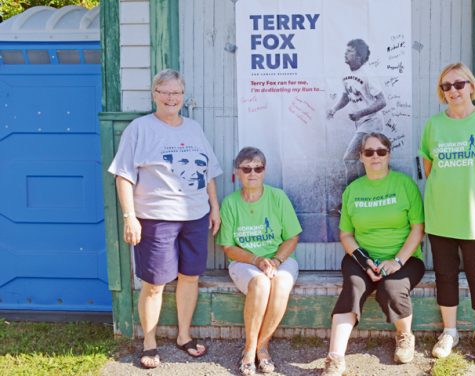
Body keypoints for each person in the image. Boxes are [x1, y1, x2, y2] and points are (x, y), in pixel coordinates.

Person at [108, 69, 222, 369]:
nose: (171, 98)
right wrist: (129, 217)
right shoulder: (140, 128)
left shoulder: (194, 128)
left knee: (190, 277)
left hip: (195, 216)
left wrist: (215, 206)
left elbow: (208, 171)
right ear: (154, 95)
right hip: (156, 218)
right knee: (155, 283)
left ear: (183, 96)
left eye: (177, 93)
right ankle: (149, 342)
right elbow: (123, 175)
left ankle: (184, 336)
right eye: (165, 92)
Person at [419, 62, 475, 364]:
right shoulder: (433, 125)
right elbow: (430, 170)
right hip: (441, 215)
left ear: (471, 86)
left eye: (459, 84)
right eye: (446, 86)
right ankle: (450, 331)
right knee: (445, 276)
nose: (453, 90)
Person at [321, 132, 426, 376]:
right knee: (353, 288)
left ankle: (404, 335)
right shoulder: (353, 191)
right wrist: (364, 260)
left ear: (389, 154)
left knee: (391, 289)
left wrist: (397, 261)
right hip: (362, 258)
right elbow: (346, 234)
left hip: (406, 258)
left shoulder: (404, 185)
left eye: (381, 151)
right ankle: (335, 358)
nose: (375, 156)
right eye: (369, 152)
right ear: (361, 157)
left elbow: (418, 229)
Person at [217, 147, 302, 375]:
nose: (252, 173)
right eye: (246, 168)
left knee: (281, 283)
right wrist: (256, 260)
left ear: (264, 171)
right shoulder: (230, 203)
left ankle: (261, 347)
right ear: (237, 172)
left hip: (280, 258)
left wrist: (275, 260)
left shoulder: (278, 197)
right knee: (261, 284)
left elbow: (292, 237)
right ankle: (249, 350)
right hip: (245, 261)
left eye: (258, 168)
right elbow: (228, 247)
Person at [327, 39, 387, 184]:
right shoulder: (345, 73)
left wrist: (360, 113)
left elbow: (382, 101)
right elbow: (346, 96)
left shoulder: (367, 73)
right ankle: (364, 194)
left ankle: (351, 194)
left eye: (350, 51)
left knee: (349, 158)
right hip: (361, 124)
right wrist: (334, 109)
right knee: (362, 162)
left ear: (359, 56)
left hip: (372, 123)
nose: (345, 53)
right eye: (346, 50)